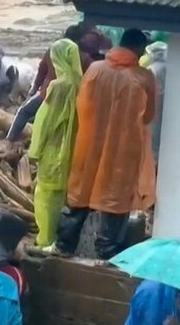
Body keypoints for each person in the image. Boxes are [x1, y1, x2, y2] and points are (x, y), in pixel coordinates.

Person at [54, 29, 157, 260]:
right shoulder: (143, 77)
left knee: (79, 195)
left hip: (89, 144)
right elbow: (148, 116)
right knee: (116, 200)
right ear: (139, 50)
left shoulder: (94, 69)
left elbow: (82, 105)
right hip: (122, 150)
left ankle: (63, 246)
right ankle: (107, 254)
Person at [27, 39, 83, 249]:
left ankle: (46, 239)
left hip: (54, 149)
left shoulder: (58, 86)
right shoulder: (81, 84)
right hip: (73, 149)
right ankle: (59, 238)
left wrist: (35, 150)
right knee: (63, 197)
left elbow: (45, 121)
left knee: (45, 197)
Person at [7, 26, 94, 142]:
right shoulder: (84, 57)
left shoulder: (54, 50)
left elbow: (42, 70)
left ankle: (10, 140)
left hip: (48, 93)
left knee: (24, 112)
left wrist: (34, 88)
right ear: (79, 40)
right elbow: (91, 78)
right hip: (71, 98)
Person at [144, 42, 167, 161]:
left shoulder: (150, 69)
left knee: (152, 134)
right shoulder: (168, 68)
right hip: (165, 103)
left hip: (152, 104)